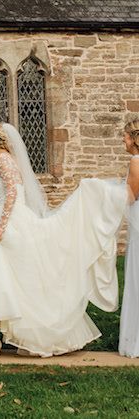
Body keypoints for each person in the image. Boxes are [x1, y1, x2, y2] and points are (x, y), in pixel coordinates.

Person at [0, 122, 133, 359]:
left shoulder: (2, 158)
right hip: (12, 215)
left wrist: (1, 226)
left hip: (9, 218)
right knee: (12, 274)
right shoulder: (9, 158)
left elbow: (12, 193)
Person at [118, 118, 139, 357]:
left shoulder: (135, 161)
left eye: (124, 136)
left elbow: (130, 196)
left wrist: (102, 192)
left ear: (133, 139)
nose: (122, 140)